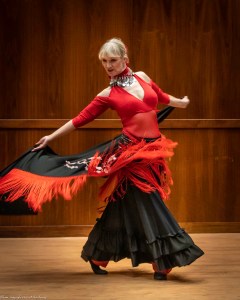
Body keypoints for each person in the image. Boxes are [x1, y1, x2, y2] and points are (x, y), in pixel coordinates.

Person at [0, 38, 204, 280]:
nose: (108, 66)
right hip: (131, 154)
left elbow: (159, 96)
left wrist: (180, 102)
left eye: (113, 60)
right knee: (148, 198)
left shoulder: (143, 77)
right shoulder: (108, 94)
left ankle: (98, 255)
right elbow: (80, 119)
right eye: (104, 62)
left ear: (125, 60)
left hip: (153, 151)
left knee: (126, 202)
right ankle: (163, 260)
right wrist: (50, 137)